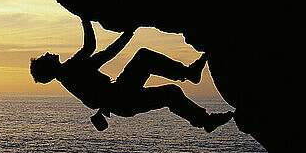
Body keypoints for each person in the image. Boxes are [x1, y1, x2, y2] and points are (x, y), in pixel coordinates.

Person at [30, 19, 233, 132]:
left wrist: (127, 34)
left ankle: (205, 120)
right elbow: (95, 48)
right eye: (44, 57)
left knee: (171, 93)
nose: (48, 53)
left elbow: (98, 52)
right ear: (49, 67)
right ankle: (189, 74)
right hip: (121, 96)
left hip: (121, 101)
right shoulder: (71, 70)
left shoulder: (68, 74)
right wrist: (85, 18)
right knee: (144, 57)